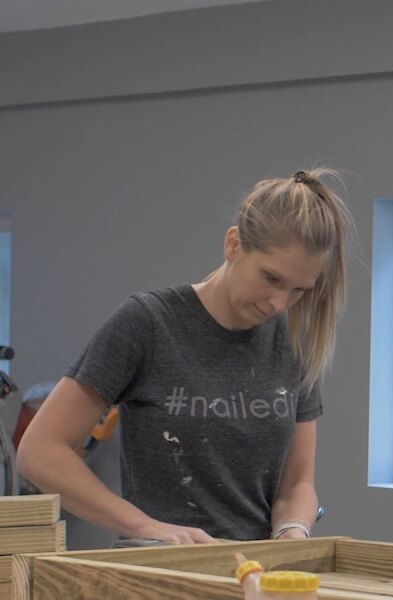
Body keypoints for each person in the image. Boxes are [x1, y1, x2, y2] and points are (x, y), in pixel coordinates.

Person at [17, 169, 350, 544]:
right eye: (271, 278)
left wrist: (292, 530)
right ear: (234, 245)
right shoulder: (148, 323)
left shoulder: (293, 342)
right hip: (158, 570)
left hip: (255, 575)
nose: (279, 304)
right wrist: (145, 526)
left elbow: (296, 484)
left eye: (298, 290)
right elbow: (40, 452)